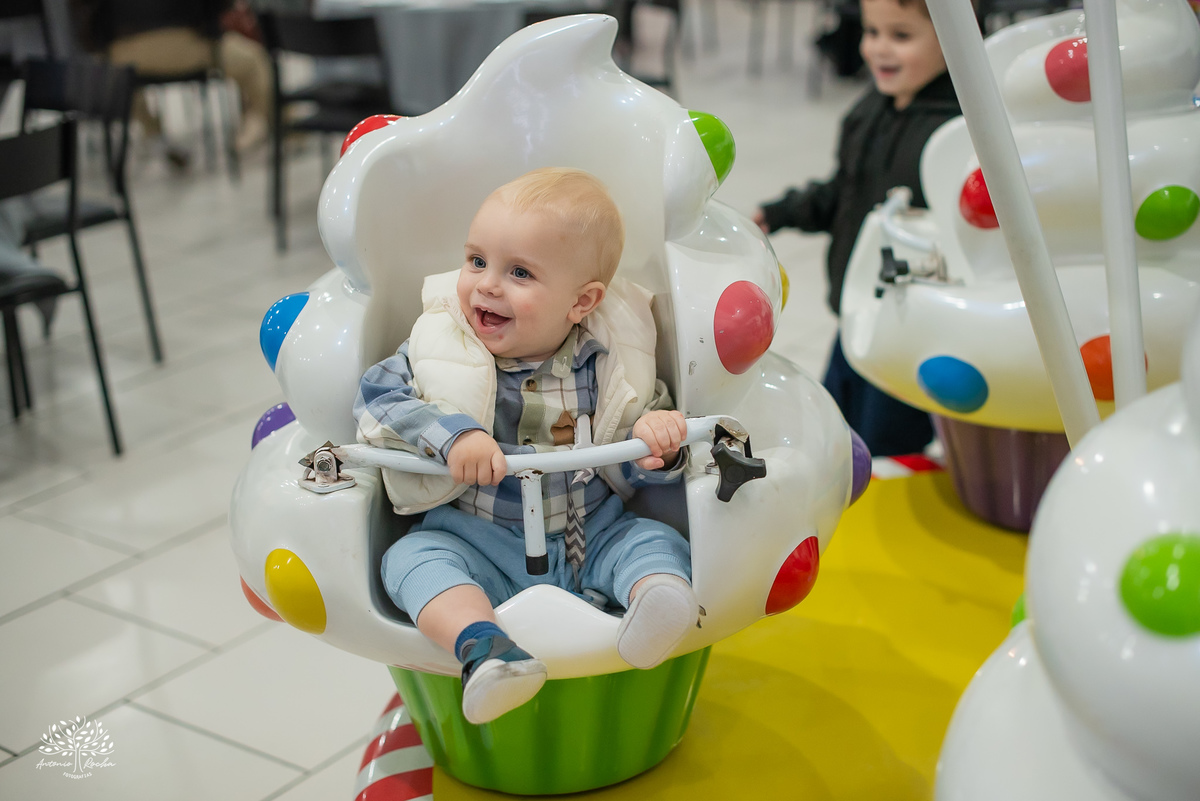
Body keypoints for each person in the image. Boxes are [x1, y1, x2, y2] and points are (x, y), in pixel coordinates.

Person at [354, 168, 697, 725]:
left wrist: (657, 442)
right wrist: (454, 436)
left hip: (594, 533)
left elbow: (641, 461)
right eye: (476, 260)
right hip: (476, 538)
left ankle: (655, 605)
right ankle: (484, 647)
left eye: (519, 272)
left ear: (582, 302)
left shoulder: (609, 361)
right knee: (410, 560)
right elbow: (377, 398)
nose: (487, 285)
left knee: (655, 541)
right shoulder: (440, 342)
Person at [755, 0, 961, 457]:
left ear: (953, 39)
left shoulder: (956, 134)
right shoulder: (869, 109)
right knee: (831, 432)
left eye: (900, 36)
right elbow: (844, 191)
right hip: (854, 317)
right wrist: (780, 213)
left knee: (883, 450)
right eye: (872, 32)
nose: (879, 48)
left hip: (906, 334)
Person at [74, 0, 271, 166]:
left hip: (122, 51)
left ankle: (154, 135)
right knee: (253, 60)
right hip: (184, 43)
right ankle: (263, 123)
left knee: (120, 81)